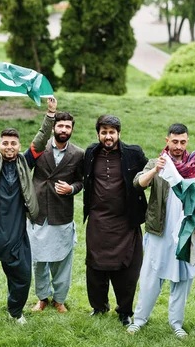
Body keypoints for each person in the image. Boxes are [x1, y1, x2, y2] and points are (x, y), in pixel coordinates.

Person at [127, 123, 195, 338]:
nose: (179, 146)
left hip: (188, 231)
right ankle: (139, 320)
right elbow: (138, 183)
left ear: (187, 141)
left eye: (183, 142)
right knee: (150, 277)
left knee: (183, 279)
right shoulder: (158, 162)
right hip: (159, 230)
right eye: (175, 141)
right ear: (167, 141)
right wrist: (155, 170)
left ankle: (176, 323)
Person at [0, 90, 56, 324]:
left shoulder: (25, 162)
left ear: (19, 146)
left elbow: (40, 140)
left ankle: (15, 312)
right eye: (5, 143)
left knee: (21, 276)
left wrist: (50, 114)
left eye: (13, 143)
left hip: (17, 232)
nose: (9, 147)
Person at [82, 115, 148, 326]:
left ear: (119, 133)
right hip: (98, 221)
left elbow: (150, 174)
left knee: (127, 269)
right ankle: (99, 307)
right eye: (104, 132)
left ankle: (124, 311)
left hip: (126, 221)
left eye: (112, 132)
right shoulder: (90, 153)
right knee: (95, 267)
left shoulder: (133, 153)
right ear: (98, 134)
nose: (108, 136)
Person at [29, 112, 84, 314]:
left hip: (62, 212)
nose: (64, 130)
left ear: (72, 129)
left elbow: (81, 182)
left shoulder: (78, 154)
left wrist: (71, 189)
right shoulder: (39, 149)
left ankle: (59, 300)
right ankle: (42, 298)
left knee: (62, 261)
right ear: (53, 128)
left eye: (68, 127)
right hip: (40, 211)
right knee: (39, 260)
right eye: (60, 126)